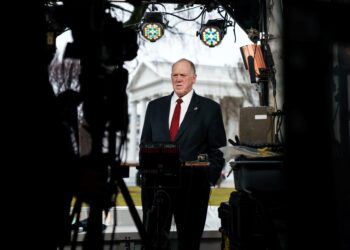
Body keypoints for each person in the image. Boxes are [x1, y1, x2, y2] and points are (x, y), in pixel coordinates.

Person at [139, 58, 227, 250]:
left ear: (194, 78)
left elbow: (218, 150)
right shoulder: (154, 107)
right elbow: (144, 144)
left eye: (183, 75)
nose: (178, 79)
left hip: (192, 189)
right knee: (153, 242)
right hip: (156, 188)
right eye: (175, 75)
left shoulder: (210, 109)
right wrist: (147, 175)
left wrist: (208, 178)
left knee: (189, 243)